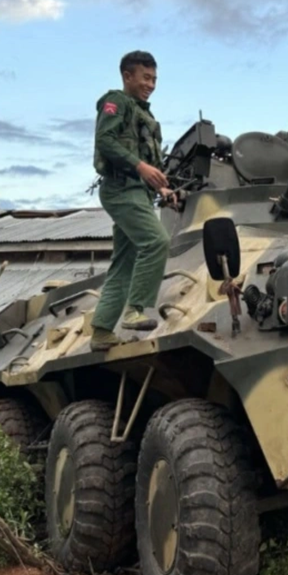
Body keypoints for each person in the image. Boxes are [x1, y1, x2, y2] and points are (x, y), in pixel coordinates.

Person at [89, 49, 178, 352]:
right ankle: (135, 310)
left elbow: (145, 160)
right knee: (156, 242)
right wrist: (140, 167)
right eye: (145, 77)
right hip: (120, 188)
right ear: (127, 76)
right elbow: (105, 140)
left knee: (124, 264)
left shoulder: (144, 114)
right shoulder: (116, 102)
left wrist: (162, 189)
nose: (151, 84)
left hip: (137, 192)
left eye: (154, 78)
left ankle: (101, 331)